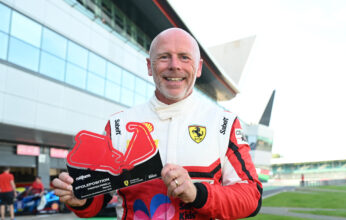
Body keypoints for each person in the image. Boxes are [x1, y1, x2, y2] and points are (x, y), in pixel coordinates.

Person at [52, 28, 262, 219]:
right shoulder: (119, 125)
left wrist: (197, 193)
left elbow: (251, 196)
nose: (174, 65)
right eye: (164, 57)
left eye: (184, 57)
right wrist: (80, 199)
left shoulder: (224, 123)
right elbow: (97, 200)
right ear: (149, 66)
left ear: (198, 68)